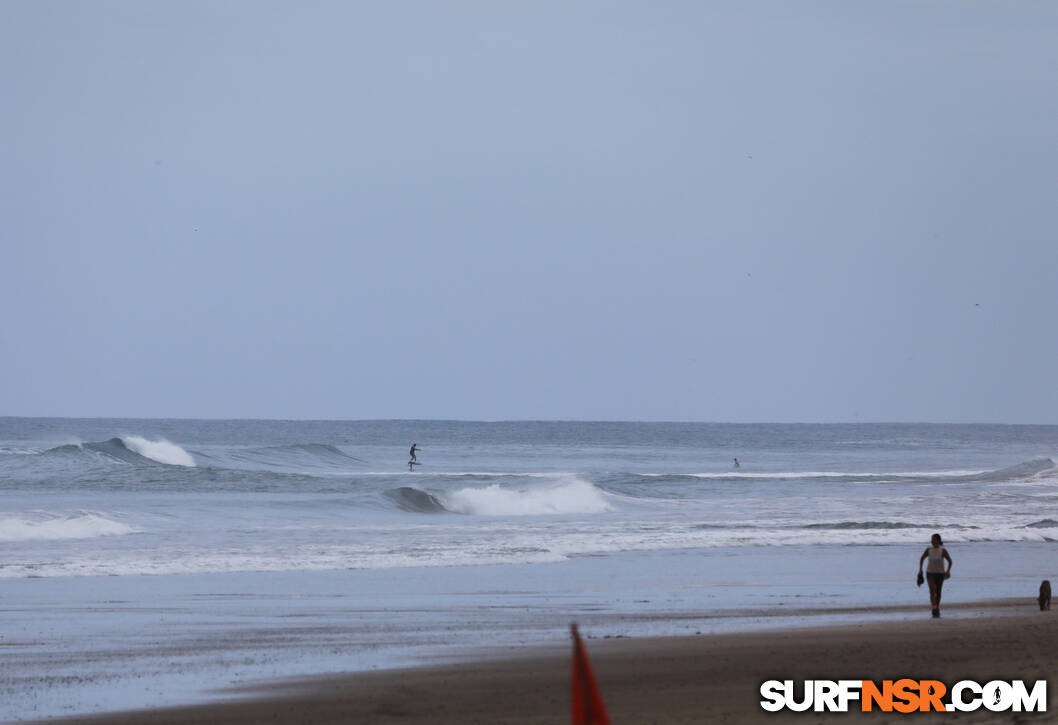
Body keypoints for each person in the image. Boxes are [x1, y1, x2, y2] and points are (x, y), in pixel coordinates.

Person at [918, 533, 952, 618]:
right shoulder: (928, 549)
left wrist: (948, 571)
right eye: (931, 539)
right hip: (930, 573)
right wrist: (920, 570)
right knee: (932, 591)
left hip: (940, 573)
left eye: (933, 539)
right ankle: (934, 607)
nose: (931, 541)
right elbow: (922, 558)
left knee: (938, 592)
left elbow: (950, 561)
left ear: (938, 540)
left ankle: (937, 607)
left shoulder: (943, 550)